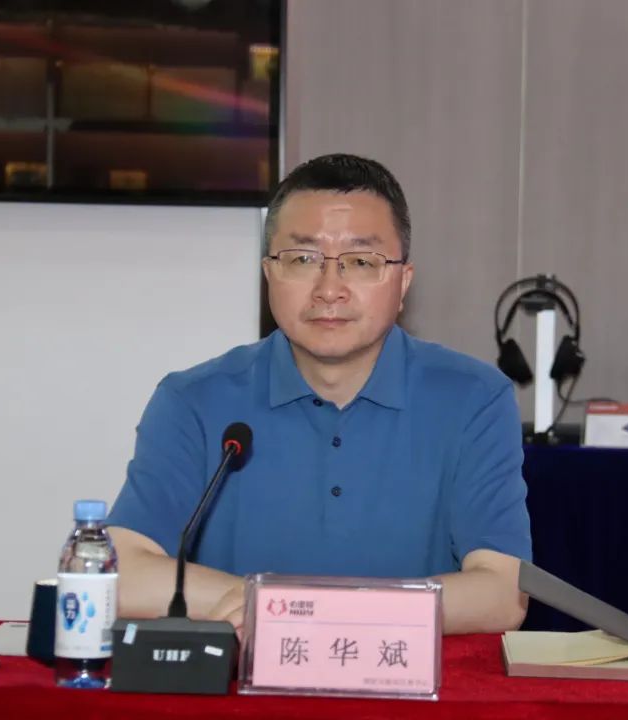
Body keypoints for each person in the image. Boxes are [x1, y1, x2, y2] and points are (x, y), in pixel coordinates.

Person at [107, 153, 531, 635]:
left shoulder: (474, 400)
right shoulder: (193, 401)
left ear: (403, 282)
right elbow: (123, 573)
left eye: (361, 262)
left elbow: (502, 591)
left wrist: (311, 613)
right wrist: (265, 604)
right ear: (269, 274)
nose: (330, 289)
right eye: (303, 259)